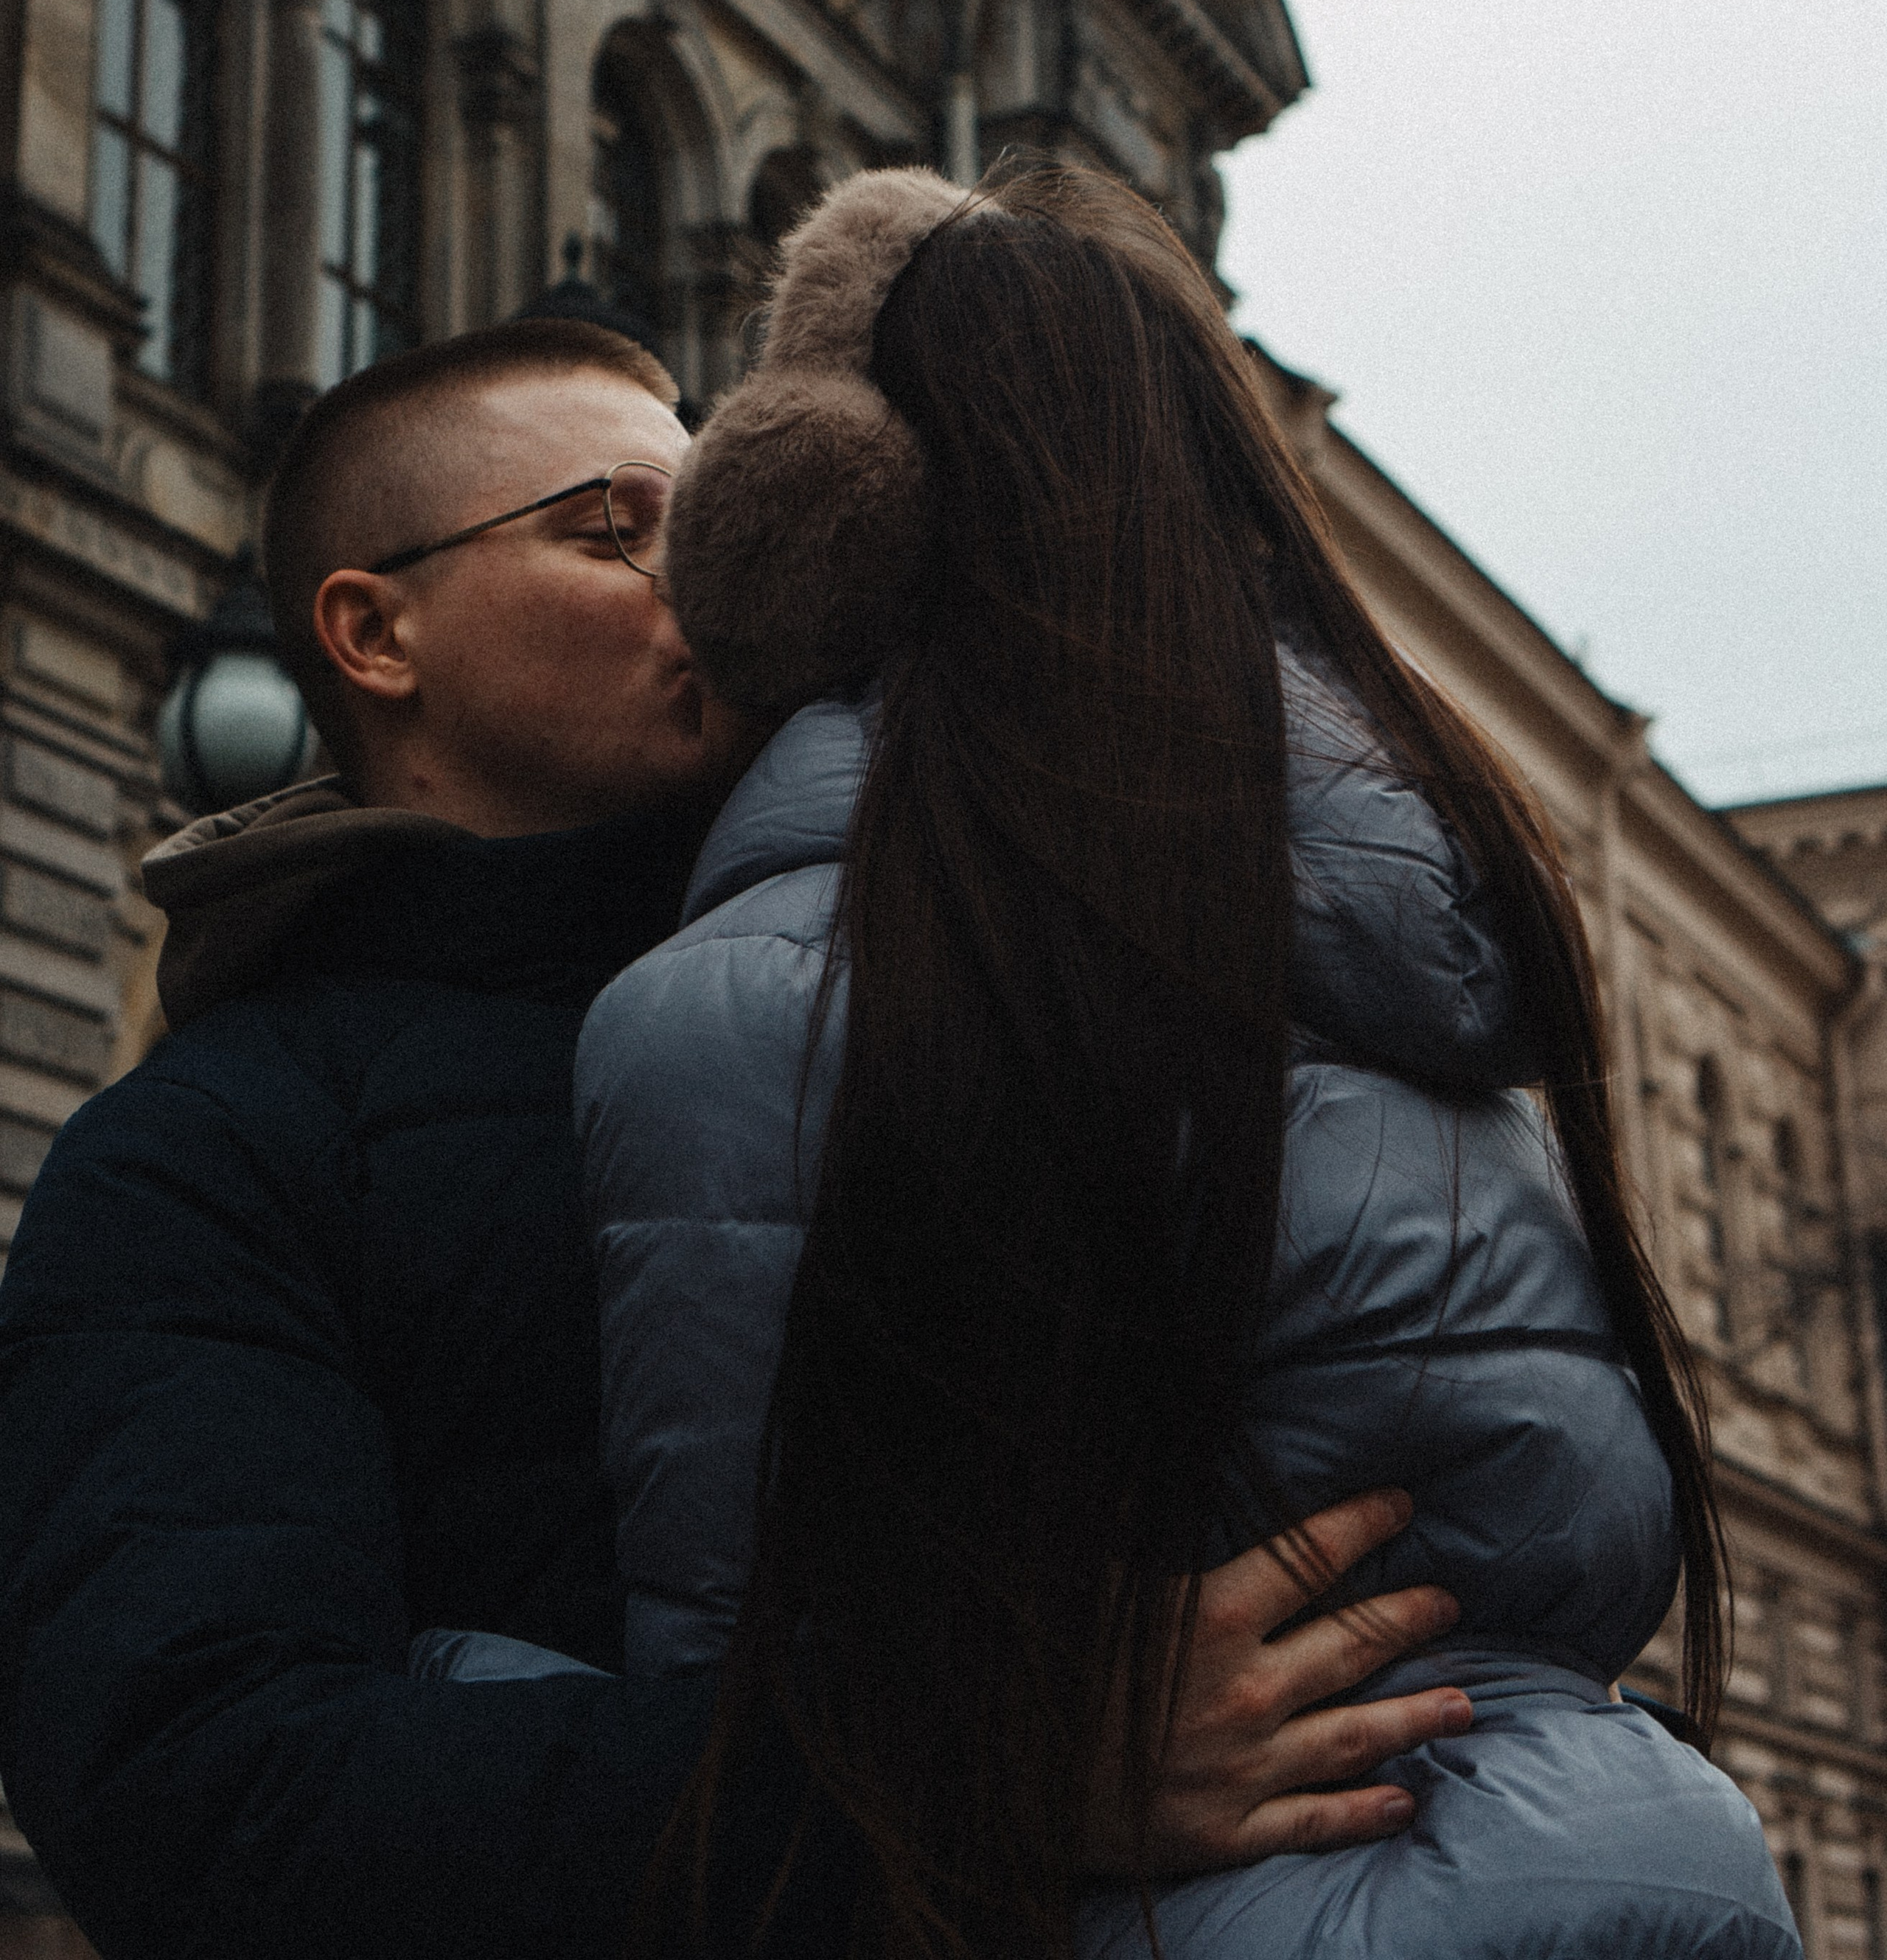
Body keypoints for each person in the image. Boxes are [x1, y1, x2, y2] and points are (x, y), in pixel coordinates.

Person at [0, 317, 1471, 1960]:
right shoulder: (215, 1144)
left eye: (732, 528)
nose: (723, 585)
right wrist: (978, 1780)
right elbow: (199, 1786)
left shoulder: (951, 998)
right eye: (618, 529)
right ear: (375, 631)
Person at [570, 165, 1799, 1959]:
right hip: (1642, 1876)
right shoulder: (1432, 954)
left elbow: (738, 1717)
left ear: (816, 521)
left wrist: (981, 1767)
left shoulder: (753, 1003)